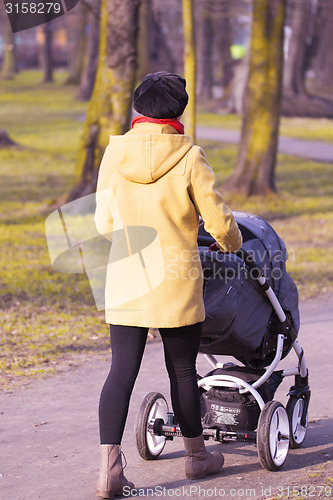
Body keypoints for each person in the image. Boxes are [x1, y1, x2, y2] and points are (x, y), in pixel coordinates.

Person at [94, 71, 243, 499]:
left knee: (120, 372)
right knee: (181, 370)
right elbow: (219, 223)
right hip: (175, 280)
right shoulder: (189, 156)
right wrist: (230, 243)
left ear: (140, 108)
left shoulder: (114, 153)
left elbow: (104, 222)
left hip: (126, 278)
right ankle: (196, 457)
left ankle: (108, 472)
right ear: (179, 110)